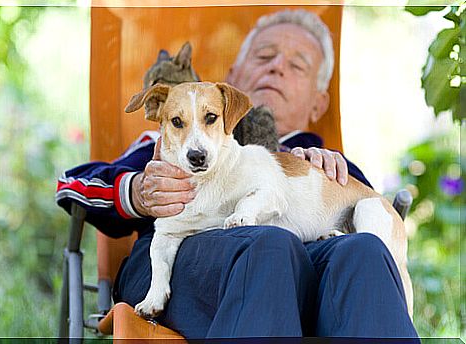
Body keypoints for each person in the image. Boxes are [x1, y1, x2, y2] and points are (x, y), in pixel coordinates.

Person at [56, 9, 418, 338]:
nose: (277, 67)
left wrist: (329, 170)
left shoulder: (326, 161)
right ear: (232, 77)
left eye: (297, 66)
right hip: (189, 270)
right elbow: (73, 185)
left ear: (318, 103)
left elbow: (375, 227)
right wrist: (137, 190)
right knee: (270, 243)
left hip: (308, 281)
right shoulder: (168, 137)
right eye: (264, 56)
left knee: (364, 252)